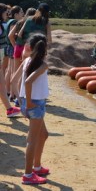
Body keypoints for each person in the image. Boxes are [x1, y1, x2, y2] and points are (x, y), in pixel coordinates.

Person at [11, 33, 49, 185]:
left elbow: (14, 81)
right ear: (44, 48)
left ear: (30, 47)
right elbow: (27, 82)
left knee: (43, 135)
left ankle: (37, 167)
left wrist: (21, 101)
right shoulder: (42, 65)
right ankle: (28, 175)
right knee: (32, 140)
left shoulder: (27, 60)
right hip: (36, 105)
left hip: (30, 104)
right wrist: (29, 103)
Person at [0, 3, 21, 117]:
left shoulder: (2, 24)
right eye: (5, 12)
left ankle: (9, 109)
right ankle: (9, 109)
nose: (7, 14)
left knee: (2, 85)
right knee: (1, 85)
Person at [5, 5, 24, 102]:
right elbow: (10, 36)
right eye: (21, 12)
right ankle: (10, 93)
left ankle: (8, 92)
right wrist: (15, 45)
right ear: (16, 14)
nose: (23, 14)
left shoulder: (9, 21)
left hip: (9, 47)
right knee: (12, 71)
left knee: (9, 70)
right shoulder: (14, 22)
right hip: (11, 47)